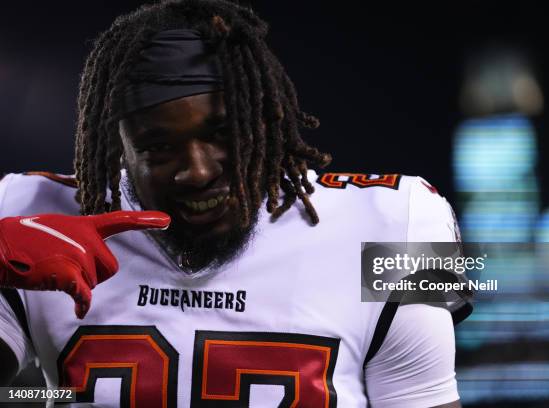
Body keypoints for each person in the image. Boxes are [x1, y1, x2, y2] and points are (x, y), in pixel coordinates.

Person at [0, 1, 471, 406]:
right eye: (158, 147)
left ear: (268, 119)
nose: (197, 171)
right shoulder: (32, 212)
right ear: (119, 146)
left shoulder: (400, 220)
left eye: (223, 133)